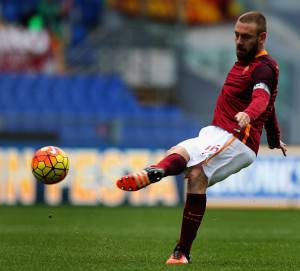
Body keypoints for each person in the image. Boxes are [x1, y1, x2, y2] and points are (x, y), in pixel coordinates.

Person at [116, 11, 287, 264]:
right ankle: (155, 173)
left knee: (196, 174)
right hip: (216, 132)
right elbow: (271, 106)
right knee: (181, 151)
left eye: (246, 37)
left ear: (262, 38)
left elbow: (262, 100)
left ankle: (181, 251)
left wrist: (248, 115)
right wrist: (274, 139)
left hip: (238, 139)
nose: (239, 41)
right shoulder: (243, 61)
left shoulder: (264, 69)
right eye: (237, 35)